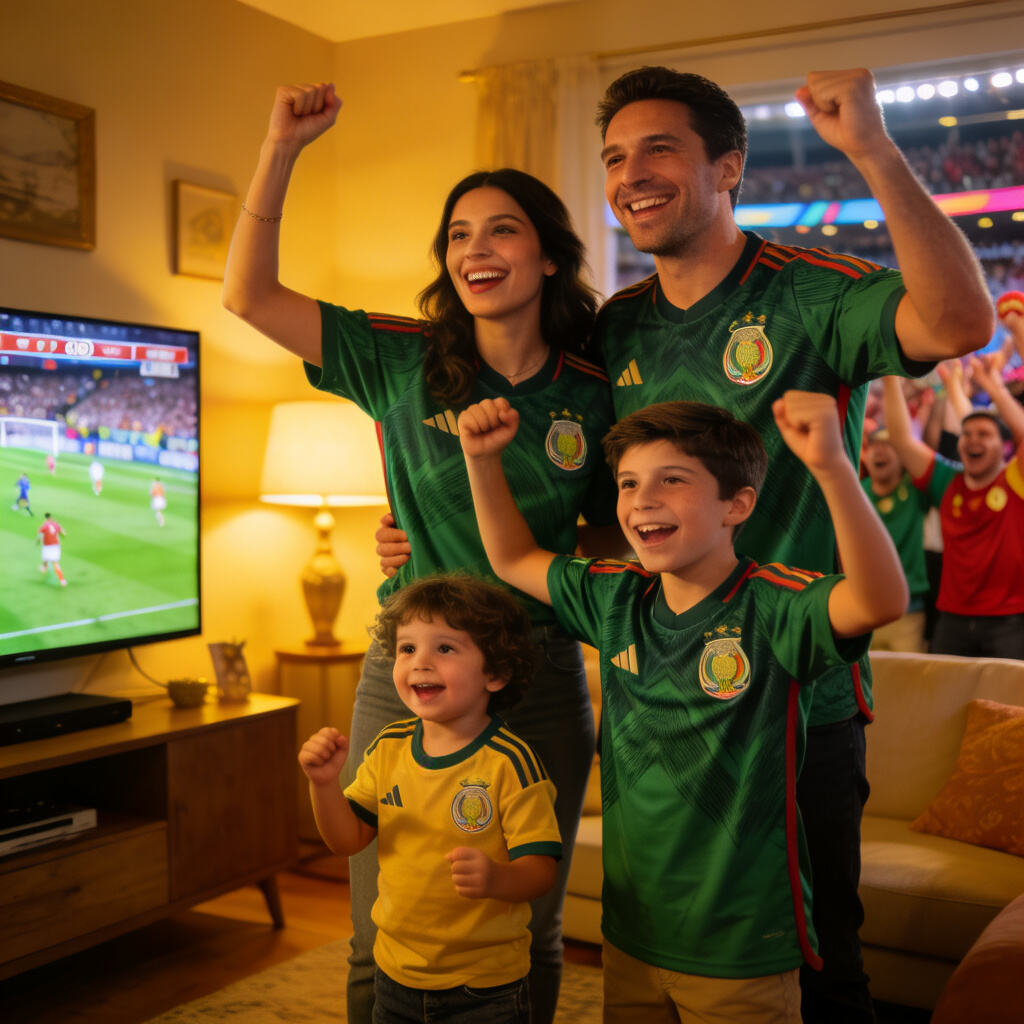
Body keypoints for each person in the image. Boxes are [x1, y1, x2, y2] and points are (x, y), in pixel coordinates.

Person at [589, 64, 994, 1024]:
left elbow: (960, 320)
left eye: (660, 149)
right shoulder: (614, 327)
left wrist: (873, 150)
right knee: (656, 947)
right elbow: (579, 491)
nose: (631, 174)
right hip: (660, 700)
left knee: (820, 958)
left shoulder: (810, 293)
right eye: (613, 156)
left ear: (728, 166)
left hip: (794, 702)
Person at [222, 82, 620, 1024]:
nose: (476, 250)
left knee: (534, 919)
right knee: (379, 919)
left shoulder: (598, 388)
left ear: (552, 255)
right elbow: (248, 295)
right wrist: (281, 146)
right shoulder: (401, 357)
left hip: (540, 679)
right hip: (408, 673)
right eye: (458, 235)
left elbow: (609, 536)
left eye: (502, 230)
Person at [457, 391, 906, 1023]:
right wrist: (480, 461)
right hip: (633, 932)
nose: (642, 499)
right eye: (629, 483)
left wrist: (831, 467)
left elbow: (881, 599)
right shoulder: (614, 599)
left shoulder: (775, 605)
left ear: (737, 504)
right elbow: (510, 558)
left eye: (672, 480)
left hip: (743, 945)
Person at [298, 575, 560, 1024]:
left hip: (486, 988)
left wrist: (498, 879)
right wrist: (323, 784)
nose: (419, 663)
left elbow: (541, 869)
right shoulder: (388, 747)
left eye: (444, 648)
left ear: (495, 673)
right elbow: (346, 840)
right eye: (407, 648)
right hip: (395, 974)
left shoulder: (510, 763)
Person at [881, 355, 1024, 659]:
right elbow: (901, 438)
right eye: (967, 435)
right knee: (947, 705)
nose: (972, 441)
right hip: (953, 618)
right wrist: (889, 373)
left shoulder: (1015, 478)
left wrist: (993, 386)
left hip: (1009, 620)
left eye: (984, 434)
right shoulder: (946, 479)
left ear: (1004, 446)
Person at [860, 428, 930, 652]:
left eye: (889, 445)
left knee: (910, 682)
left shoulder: (917, 490)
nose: (879, 451)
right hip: (863, 609)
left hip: (909, 610)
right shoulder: (856, 492)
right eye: (874, 446)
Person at [37, 512, 67, 586]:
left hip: (47, 546)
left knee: (45, 558)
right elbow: (64, 534)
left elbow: (39, 536)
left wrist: (38, 541)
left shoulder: (44, 526)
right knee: (55, 563)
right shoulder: (56, 525)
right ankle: (62, 580)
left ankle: (44, 567)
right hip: (56, 546)